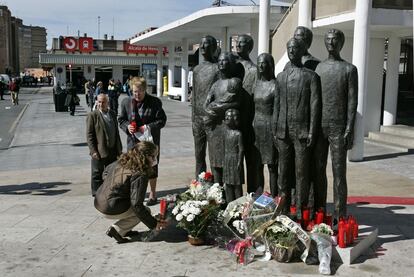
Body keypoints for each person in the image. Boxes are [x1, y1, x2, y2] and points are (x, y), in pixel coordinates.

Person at [272, 38, 321, 218]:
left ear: (302, 51)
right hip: (283, 131)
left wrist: (312, 131)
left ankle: (301, 210)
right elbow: (276, 106)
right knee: (283, 172)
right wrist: (274, 130)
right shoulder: (281, 77)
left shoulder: (311, 76)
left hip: (302, 131)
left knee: (302, 173)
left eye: (296, 48)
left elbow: (315, 106)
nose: (292, 50)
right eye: (289, 48)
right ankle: (283, 209)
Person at [314, 29, 358, 221]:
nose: (331, 43)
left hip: (339, 127)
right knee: (318, 170)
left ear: (341, 43)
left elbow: (352, 102)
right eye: (328, 39)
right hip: (320, 126)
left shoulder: (349, 69)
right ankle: (320, 211)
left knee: (339, 173)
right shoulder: (318, 68)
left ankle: (340, 216)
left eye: (335, 40)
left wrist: (350, 128)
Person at [94, 141, 168, 243]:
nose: (154, 160)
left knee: (139, 209)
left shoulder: (123, 160)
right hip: (109, 207)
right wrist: (154, 224)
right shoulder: (140, 173)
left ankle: (125, 229)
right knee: (144, 211)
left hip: (98, 202)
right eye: (152, 156)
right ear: (144, 156)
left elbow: (105, 172)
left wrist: (115, 187)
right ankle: (117, 230)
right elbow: (137, 205)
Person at [118, 77, 167, 206]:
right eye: (134, 91)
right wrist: (127, 126)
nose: (137, 94)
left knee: (152, 167)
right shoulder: (126, 102)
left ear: (145, 90)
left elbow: (162, 120)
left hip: (149, 142)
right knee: (133, 168)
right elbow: (121, 120)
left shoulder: (155, 102)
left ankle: (152, 193)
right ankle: (134, 193)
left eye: (139, 91)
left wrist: (148, 127)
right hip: (133, 142)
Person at [204, 52, 242, 185]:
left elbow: (237, 103)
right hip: (214, 128)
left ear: (231, 63)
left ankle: (228, 195)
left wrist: (215, 108)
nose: (221, 63)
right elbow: (206, 104)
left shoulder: (234, 82)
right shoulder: (215, 84)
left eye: (225, 61)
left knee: (227, 163)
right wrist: (214, 109)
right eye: (219, 60)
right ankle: (217, 193)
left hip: (227, 127)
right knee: (215, 161)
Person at [235, 34, 263, 194]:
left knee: (253, 165)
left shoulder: (254, 70)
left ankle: (254, 197)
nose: (238, 45)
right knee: (234, 165)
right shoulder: (231, 66)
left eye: (243, 43)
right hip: (232, 124)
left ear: (250, 47)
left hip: (250, 123)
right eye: (237, 42)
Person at [191, 35, 220, 178]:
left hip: (212, 119)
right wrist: (193, 119)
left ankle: (217, 188)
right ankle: (200, 187)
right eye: (201, 44)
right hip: (197, 120)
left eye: (206, 44)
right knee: (199, 156)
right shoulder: (196, 69)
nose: (202, 47)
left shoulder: (217, 68)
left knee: (214, 157)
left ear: (214, 47)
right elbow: (194, 95)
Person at [86, 94, 122, 196]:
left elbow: (116, 132)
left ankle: (109, 191)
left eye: (103, 102)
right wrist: (93, 151)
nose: (101, 104)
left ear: (108, 103)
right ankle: (97, 194)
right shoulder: (93, 115)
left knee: (112, 172)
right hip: (99, 150)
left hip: (113, 149)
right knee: (97, 173)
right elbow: (89, 135)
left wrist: (119, 149)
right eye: (99, 102)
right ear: (97, 102)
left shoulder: (112, 114)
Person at [253, 53, 278, 197]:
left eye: (264, 63)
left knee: (272, 165)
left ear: (270, 65)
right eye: (259, 63)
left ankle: (275, 198)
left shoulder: (275, 85)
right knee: (258, 165)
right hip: (256, 127)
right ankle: (259, 196)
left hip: (270, 127)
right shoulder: (256, 84)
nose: (261, 66)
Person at [223, 109, 244, 203]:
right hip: (227, 159)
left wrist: (240, 161)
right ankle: (229, 204)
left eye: (228, 117)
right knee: (227, 184)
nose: (226, 118)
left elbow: (241, 149)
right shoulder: (225, 132)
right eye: (226, 116)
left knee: (237, 184)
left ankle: (239, 206)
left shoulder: (238, 133)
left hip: (235, 159)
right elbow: (223, 147)